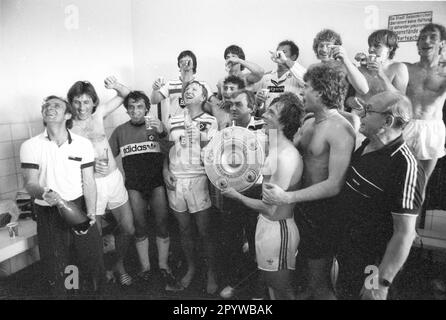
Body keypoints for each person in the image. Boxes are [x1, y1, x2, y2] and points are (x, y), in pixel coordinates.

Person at [263, 63, 356, 299]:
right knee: (305, 278)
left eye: (306, 87)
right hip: (301, 209)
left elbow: (334, 184)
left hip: (323, 213)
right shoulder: (308, 123)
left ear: (322, 91)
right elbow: (283, 151)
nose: (302, 92)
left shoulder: (340, 129)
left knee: (320, 284)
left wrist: (287, 196)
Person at [335, 91, 425, 300]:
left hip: (373, 265)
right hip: (348, 253)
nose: (360, 114)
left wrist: (381, 283)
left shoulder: (405, 165)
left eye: (367, 110)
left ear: (387, 120)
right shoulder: (368, 143)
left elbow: (404, 234)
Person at [222, 92, 304, 300]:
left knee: (281, 289)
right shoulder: (275, 148)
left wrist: (237, 196)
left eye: (271, 112)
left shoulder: (285, 157)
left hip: (278, 230)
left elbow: (271, 208)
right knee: (271, 286)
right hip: (266, 227)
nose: (264, 115)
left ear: (284, 123)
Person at [20, 96, 104, 296]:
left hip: (78, 206)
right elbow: (30, 183)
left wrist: (91, 213)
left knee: (90, 259)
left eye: (56, 105)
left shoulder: (82, 144)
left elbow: (89, 181)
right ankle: (69, 294)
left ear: (67, 115)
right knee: (60, 264)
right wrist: (46, 193)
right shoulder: (30, 145)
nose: (49, 108)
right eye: (46, 106)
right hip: (48, 212)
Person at [108, 91, 183, 291]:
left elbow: (172, 153)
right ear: (126, 109)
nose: (135, 111)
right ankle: (145, 267)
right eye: (131, 107)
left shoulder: (157, 127)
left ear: (146, 109)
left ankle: (164, 266)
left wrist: (162, 133)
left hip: (157, 183)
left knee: (162, 224)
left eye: (139, 106)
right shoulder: (120, 131)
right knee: (140, 226)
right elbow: (106, 157)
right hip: (134, 186)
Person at [68, 77, 135, 286]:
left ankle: (119, 264)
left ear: (93, 103)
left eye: (86, 102)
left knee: (129, 228)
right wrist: (87, 165)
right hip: (91, 185)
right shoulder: (67, 126)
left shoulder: (98, 115)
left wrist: (116, 85)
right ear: (71, 102)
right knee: (94, 236)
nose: (82, 107)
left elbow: (127, 95)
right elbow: (65, 160)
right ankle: (102, 271)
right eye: (77, 102)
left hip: (113, 180)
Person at [163, 81, 219, 294]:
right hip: (175, 179)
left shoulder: (210, 121)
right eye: (187, 90)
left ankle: (212, 272)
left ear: (203, 97)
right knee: (184, 229)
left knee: (205, 232)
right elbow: (167, 150)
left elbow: (212, 153)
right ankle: (191, 268)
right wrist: (165, 171)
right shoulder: (174, 119)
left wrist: (201, 138)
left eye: (194, 90)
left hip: (198, 178)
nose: (188, 91)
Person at [217, 89, 267, 299]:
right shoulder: (226, 128)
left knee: (258, 241)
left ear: (252, 107)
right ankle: (235, 282)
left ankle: (259, 288)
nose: (234, 108)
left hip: (256, 190)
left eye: (239, 104)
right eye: (231, 105)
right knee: (231, 239)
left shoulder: (265, 129)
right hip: (231, 190)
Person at [404, 23, 446, 191]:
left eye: (432, 37)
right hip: (407, 124)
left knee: (421, 183)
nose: (426, 41)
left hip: (432, 127)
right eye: (422, 38)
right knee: (399, 175)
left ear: (442, 43)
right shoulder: (407, 68)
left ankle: (414, 217)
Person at [151, 50, 214, 124]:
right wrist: (155, 89)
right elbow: (154, 101)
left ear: (193, 65)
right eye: (182, 62)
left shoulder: (202, 85)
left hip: (197, 124)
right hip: (175, 124)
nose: (185, 64)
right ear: (179, 65)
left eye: (188, 61)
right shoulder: (170, 84)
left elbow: (213, 105)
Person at [255, 40, 307, 111]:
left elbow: (309, 81)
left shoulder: (299, 77)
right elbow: (259, 112)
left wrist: (285, 61)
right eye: (278, 52)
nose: (279, 54)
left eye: (284, 52)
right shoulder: (266, 77)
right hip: (268, 120)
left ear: (293, 57)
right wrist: (259, 103)